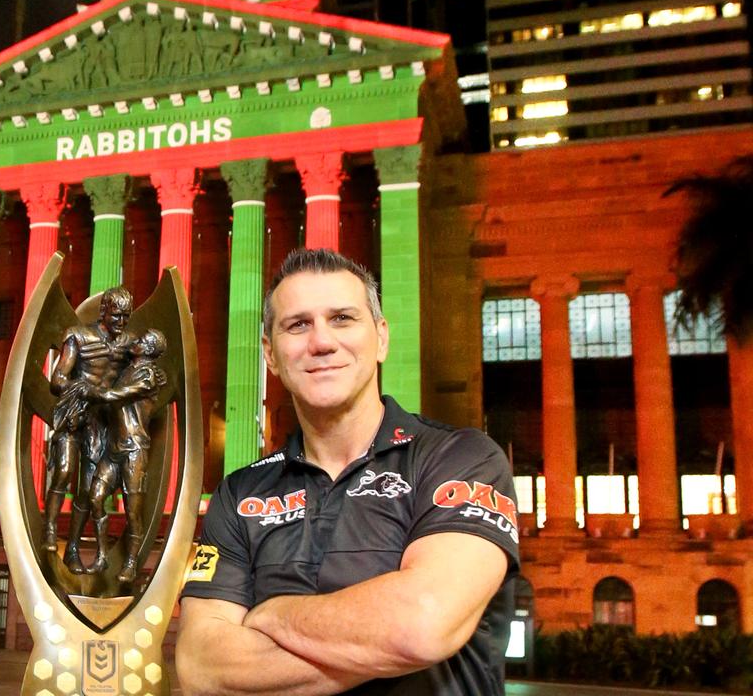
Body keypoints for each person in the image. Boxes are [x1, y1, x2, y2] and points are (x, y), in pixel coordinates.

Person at [177, 248, 519, 695]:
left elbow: (420, 624)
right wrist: (370, 640)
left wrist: (271, 615)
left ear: (380, 338)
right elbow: (202, 668)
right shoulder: (238, 494)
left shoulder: (461, 459)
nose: (321, 341)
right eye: (297, 324)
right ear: (271, 355)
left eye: (342, 318)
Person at [40, 287, 133, 573]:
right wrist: (83, 388)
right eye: (116, 315)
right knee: (65, 470)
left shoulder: (129, 343)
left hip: (102, 422)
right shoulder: (78, 336)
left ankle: (74, 549)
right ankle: (50, 532)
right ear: (103, 311)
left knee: (88, 489)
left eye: (125, 317)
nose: (120, 322)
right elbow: (57, 380)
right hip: (73, 413)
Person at [89, 328, 167, 582]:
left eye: (143, 341)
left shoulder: (149, 375)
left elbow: (116, 395)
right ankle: (102, 556)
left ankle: (131, 563)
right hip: (113, 448)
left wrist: (95, 393)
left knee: (133, 513)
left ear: (150, 350)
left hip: (135, 449)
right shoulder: (126, 370)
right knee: (96, 498)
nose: (137, 341)